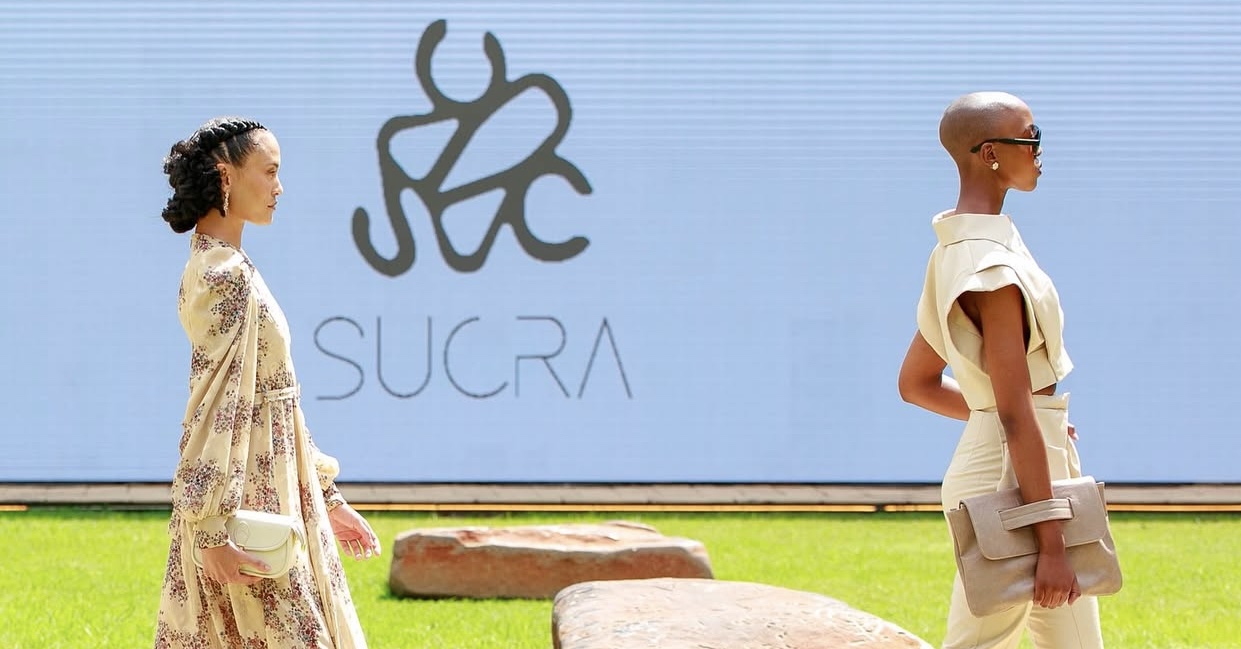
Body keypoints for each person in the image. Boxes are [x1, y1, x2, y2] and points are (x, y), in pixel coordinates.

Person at [154, 116, 380, 648]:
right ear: (225, 175)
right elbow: (215, 408)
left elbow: (277, 399)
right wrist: (210, 528)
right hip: (248, 503)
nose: (280, 187)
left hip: (276, 490)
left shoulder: (230, 265)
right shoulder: (223, 275)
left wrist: (325, 495)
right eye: (270, 171)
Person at [898, 93, 1105, 649]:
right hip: (1010, 485)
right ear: (990, 153)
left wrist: (1028, 419)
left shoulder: (957, 250)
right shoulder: (990, 267)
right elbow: (1012, 411)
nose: (1039, 151)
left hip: (1020, 463)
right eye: (1031, 137)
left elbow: (916, 383)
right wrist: (1052, 546)